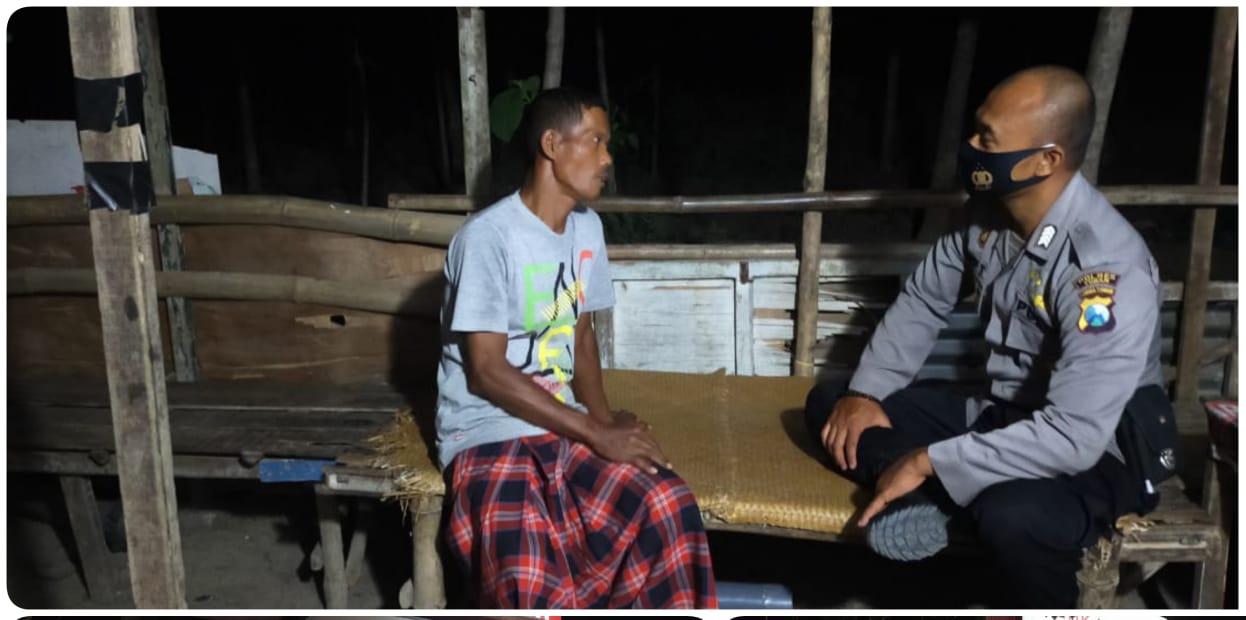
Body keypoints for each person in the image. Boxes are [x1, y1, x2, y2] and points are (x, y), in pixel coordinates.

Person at [804, 65, 1179, 607]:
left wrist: (928, 461)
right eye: (976, 130)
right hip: (1001, 413)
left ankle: (946, 502)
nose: (971, 147)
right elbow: (924, 300)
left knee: (1013, 513)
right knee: (835, 406)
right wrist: (866, 394)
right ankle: (934, 498)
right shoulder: (984, 217)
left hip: (1099, 450)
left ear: (1046, 159)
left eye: (987, 138)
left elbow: (1074, 435)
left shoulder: (1103, 268)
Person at [435, 86, 717, 609]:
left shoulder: (587, 229)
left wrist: (605, 424)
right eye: (595, 141)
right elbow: (486, 371)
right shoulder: (488, 238)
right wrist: (594, 431)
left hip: (559, 420)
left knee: (666, 502)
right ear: (551, 145)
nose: (607, 158)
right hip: (487, 431)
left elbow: (580, 337)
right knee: (527, 571)